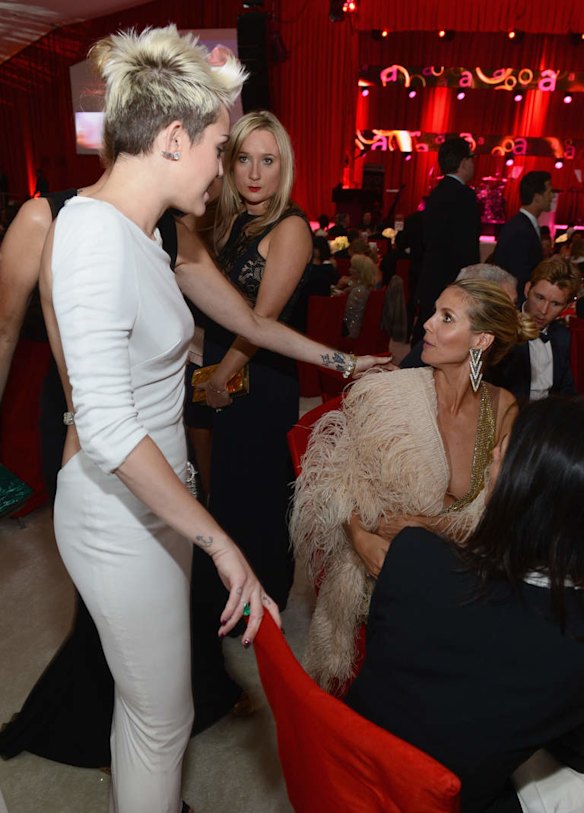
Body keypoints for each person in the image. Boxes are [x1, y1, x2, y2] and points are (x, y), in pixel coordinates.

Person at [37, 27, 388, 813]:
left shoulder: (144, 231)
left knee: (154, 712)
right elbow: (105, 422)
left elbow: (251, 326)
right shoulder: (93, 238)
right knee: (164, 719)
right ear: (172, 139)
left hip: (157, 500)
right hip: (120, 513)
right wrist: (220, 538)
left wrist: (346, 362)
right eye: (220, 146)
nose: (226, 165)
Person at [291, 279, 537, 692]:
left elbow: (502, 509)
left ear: (481, 339)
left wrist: (428, 526)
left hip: (464, 567)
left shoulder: (502, 406)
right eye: (433, 312)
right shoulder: (390, 394)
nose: (425, 325)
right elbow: (336, 479)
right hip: (388, 568)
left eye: (446, 318)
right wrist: (359, 537)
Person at [345, 396, 584, 813]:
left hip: (348, 766)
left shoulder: (412, 554)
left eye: (504, 453)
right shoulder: (569, 649)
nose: (492, 454)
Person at [198, 110, 312, 611]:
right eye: (243, 158)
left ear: (282, 166)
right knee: (223, 492)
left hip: (260, 379)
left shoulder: (290, 227)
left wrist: (218, 379)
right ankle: (229, 592)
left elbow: (260, 324)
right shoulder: (232, 221)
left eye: (267, 160)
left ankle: (264, 598)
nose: (254, 173)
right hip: (222, 374)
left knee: (259, 494)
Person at [413, 137, 481, 343]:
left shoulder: (436, 193)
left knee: (426, 330)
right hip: (453, 279)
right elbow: (468, 247)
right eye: (471, 158)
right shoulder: (465, 196)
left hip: (431, 275)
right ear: (464, 162)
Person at [490, 256, 580, 402]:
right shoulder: (503, 328)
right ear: (527, 289)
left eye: (555, 304)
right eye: (539, 297)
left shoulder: (563, 337)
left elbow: (567, 393)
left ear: (567, 306)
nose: (543, 310)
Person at [493, 170, 553, 300]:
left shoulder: (523, 225)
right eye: (549, 192)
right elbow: (519, 276)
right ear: (537, 197)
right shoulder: (521, 229)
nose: (552, 197)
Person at [341, 253, 378, 338]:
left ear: (359, 271)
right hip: (362, 327)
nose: (349, 269)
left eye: (352, 268)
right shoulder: (369, 287)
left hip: (350, 330)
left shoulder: (358, 291)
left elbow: (346, 314)